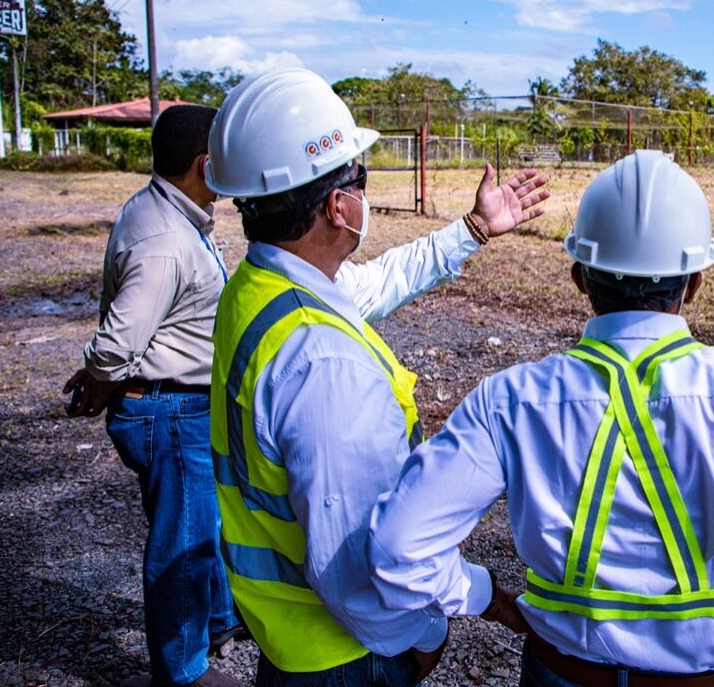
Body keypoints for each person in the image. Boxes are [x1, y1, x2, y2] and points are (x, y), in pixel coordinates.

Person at [368, 150, 714, 686]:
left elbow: (398, 547)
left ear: (580, 278)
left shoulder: (508, 400)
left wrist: (486, 596)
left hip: (561, 671)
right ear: (694, 282)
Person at [205, 67, 549, 687]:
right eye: (359, 180)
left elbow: (376, 283)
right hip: (341, 656)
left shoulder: (259, 288)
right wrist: (422, 634)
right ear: (339, 205)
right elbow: (354, 562)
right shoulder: (322, 363)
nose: (364, 192)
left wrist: (471, 231)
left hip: (290, 637)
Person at [62, 105, 243, 687]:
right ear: (205, 164)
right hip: (170, 409)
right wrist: (99, 376)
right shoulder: (167, 238)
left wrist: (100, 379)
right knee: (183, 548)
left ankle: (213, 625)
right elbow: (118, 341)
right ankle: (183, 674)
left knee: (204, 527)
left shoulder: (166, 211)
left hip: (180, 405)